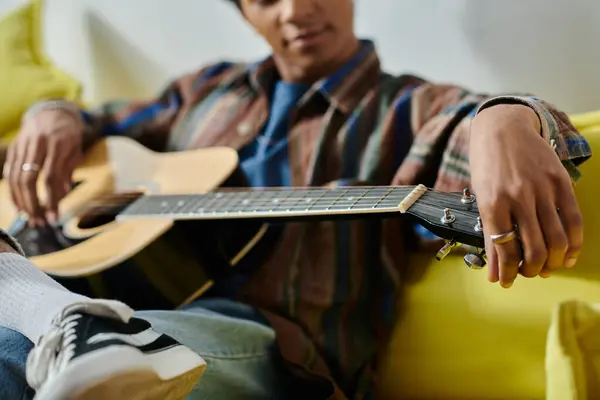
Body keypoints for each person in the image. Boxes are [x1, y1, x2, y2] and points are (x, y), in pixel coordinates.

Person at [0, 0, 592, 399]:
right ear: (245, 14)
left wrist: (508, 117)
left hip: (276, 353)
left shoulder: (411, 108)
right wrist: (52, 115)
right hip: (105, 301)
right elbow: (99, 125)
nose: (295, 9)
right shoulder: (205, 91)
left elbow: (475, 131)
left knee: (21, 355)